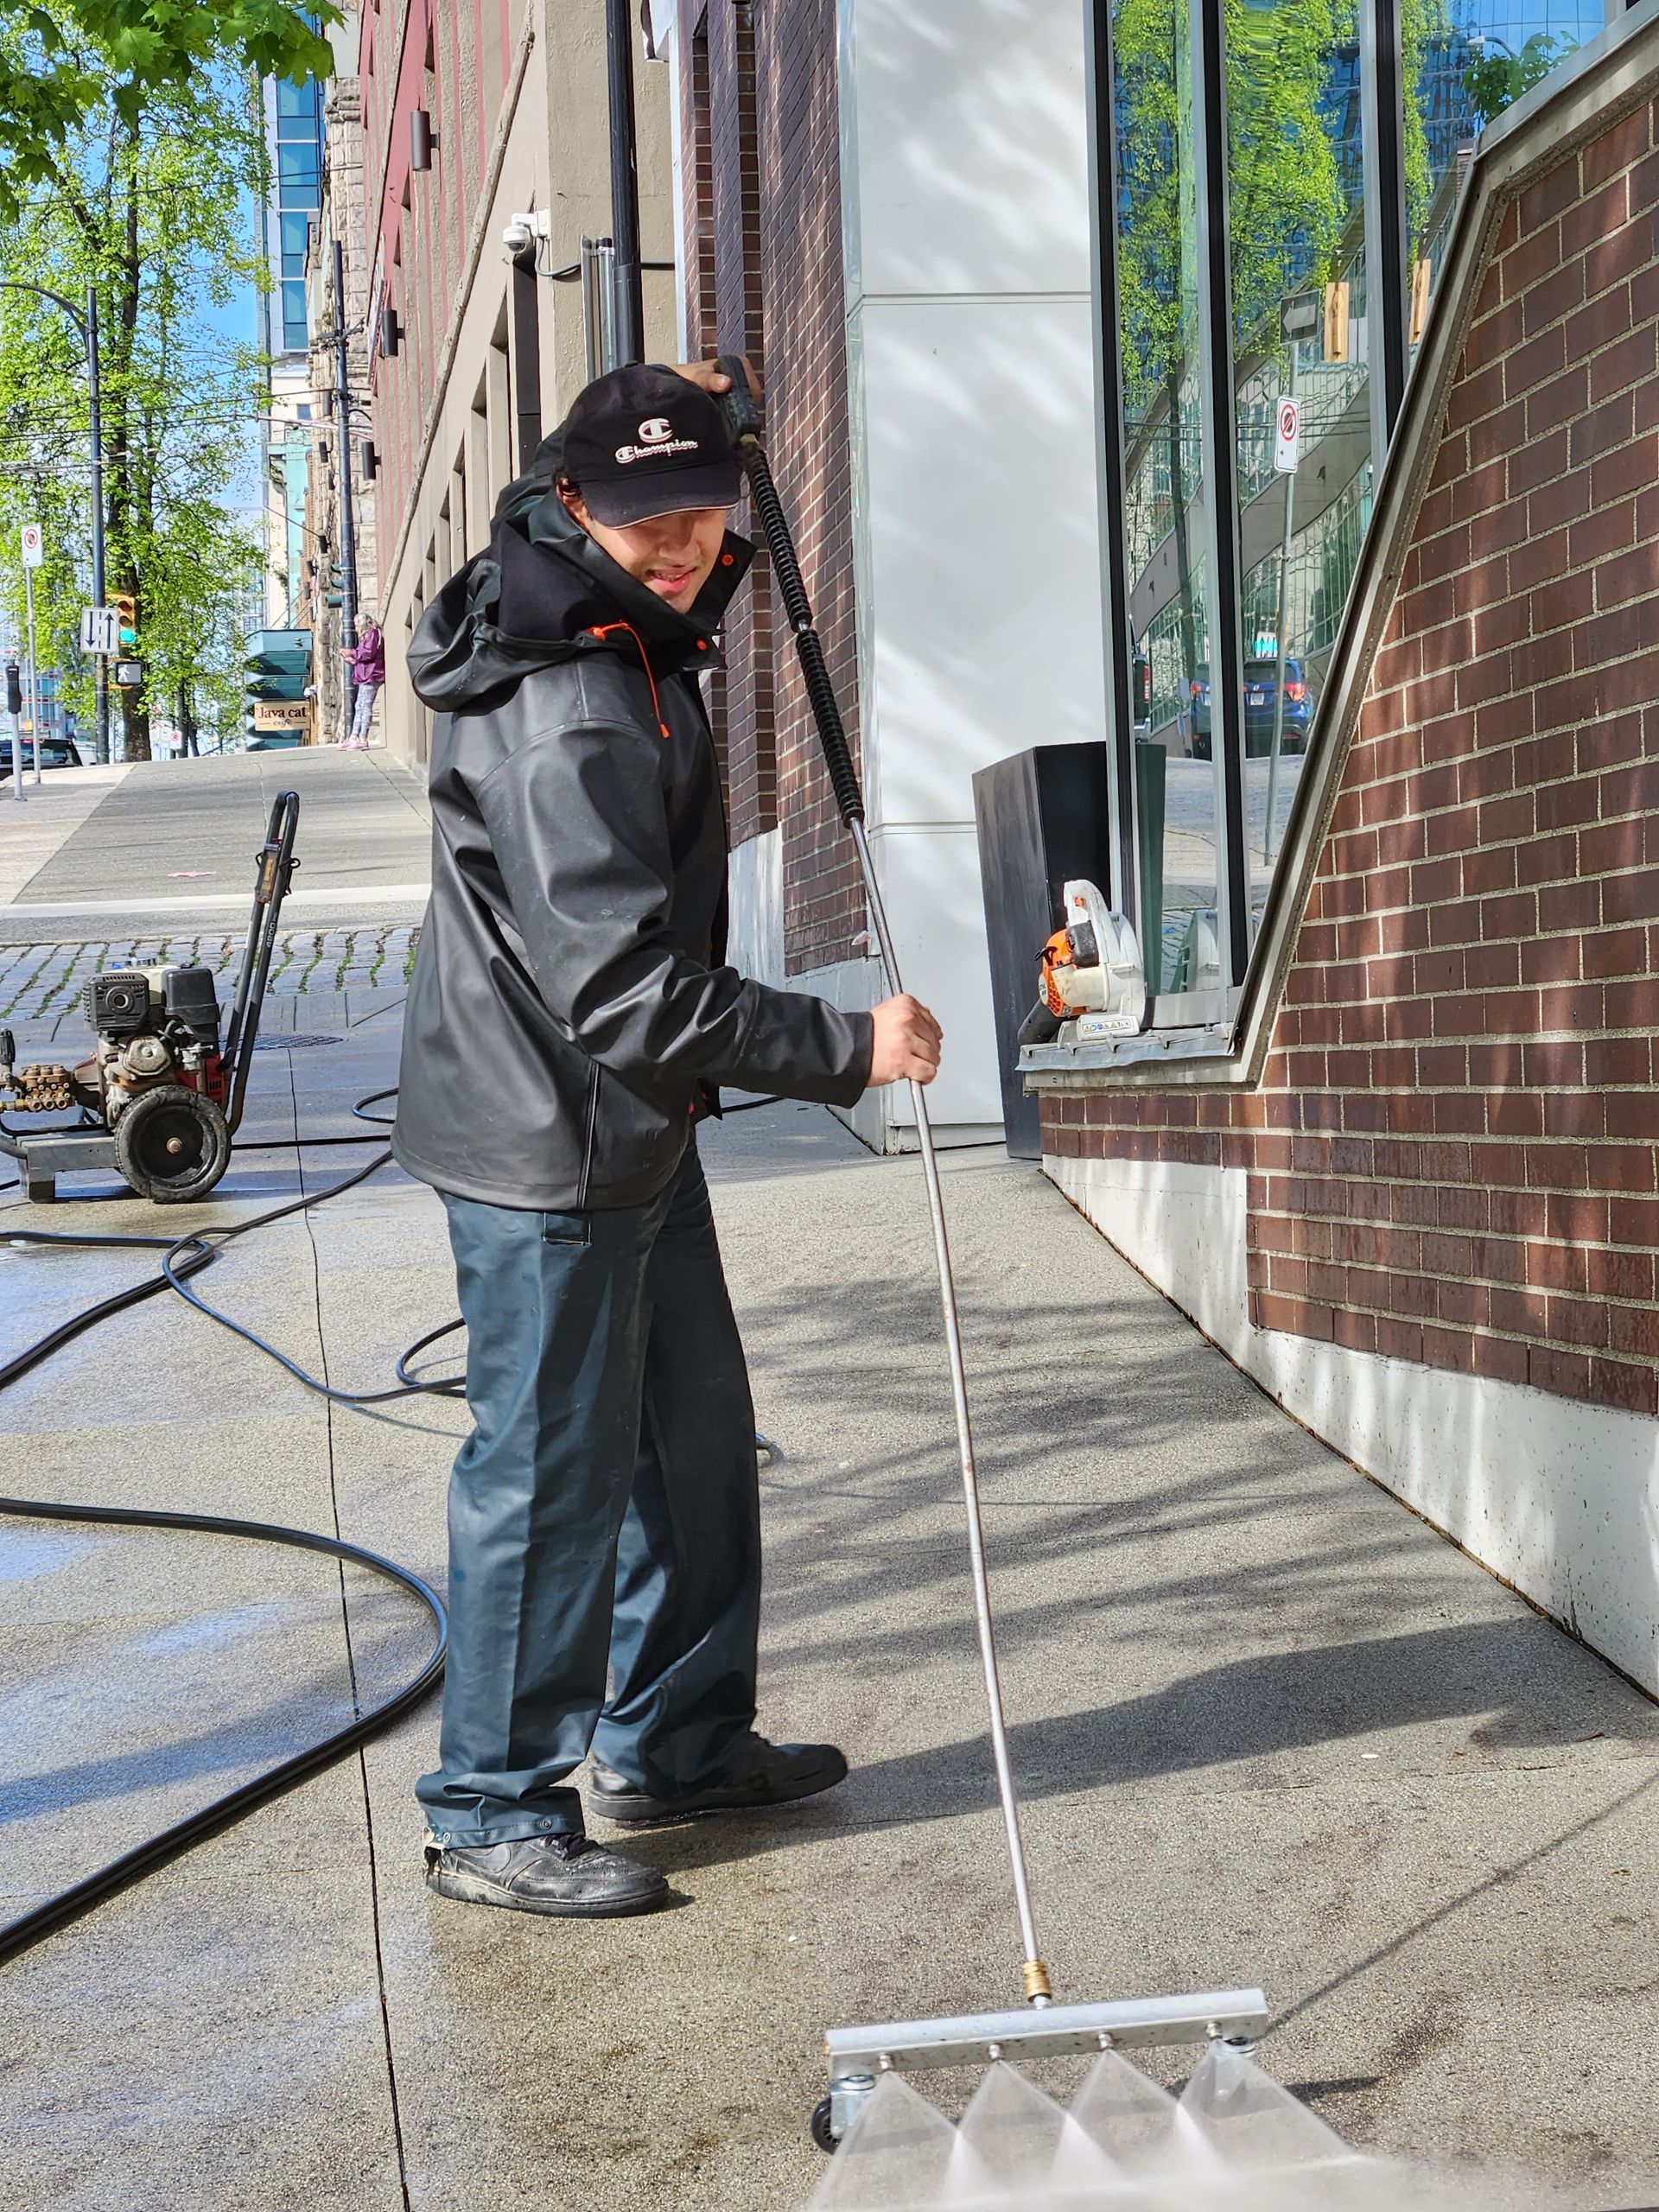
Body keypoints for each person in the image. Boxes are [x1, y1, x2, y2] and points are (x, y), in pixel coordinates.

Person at [393, 360, 943, 1919]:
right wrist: (844, 1045)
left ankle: (677, 1741)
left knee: (692, 1444)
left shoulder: (590, 592)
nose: (689, 541)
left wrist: (677, 413)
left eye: (701, 505)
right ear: (579, 512)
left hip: (627, 1124)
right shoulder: (571, 706)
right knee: (554, 1470)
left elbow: (605, 501)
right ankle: (493, 1807)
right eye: (652, 521)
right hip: (552, 1137)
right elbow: (621, 987)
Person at [342, 613, 385, 747]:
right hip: (366, 675)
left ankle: (362, 738)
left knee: (365, 707)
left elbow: (368, 654)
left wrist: (351, 653)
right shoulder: (369, 636)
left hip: (371, 676)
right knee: (359, 706)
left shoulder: (373, 634)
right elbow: (364, 657)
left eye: (356, 624)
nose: (355, 628)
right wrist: (354, 660)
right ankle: (354, 736)